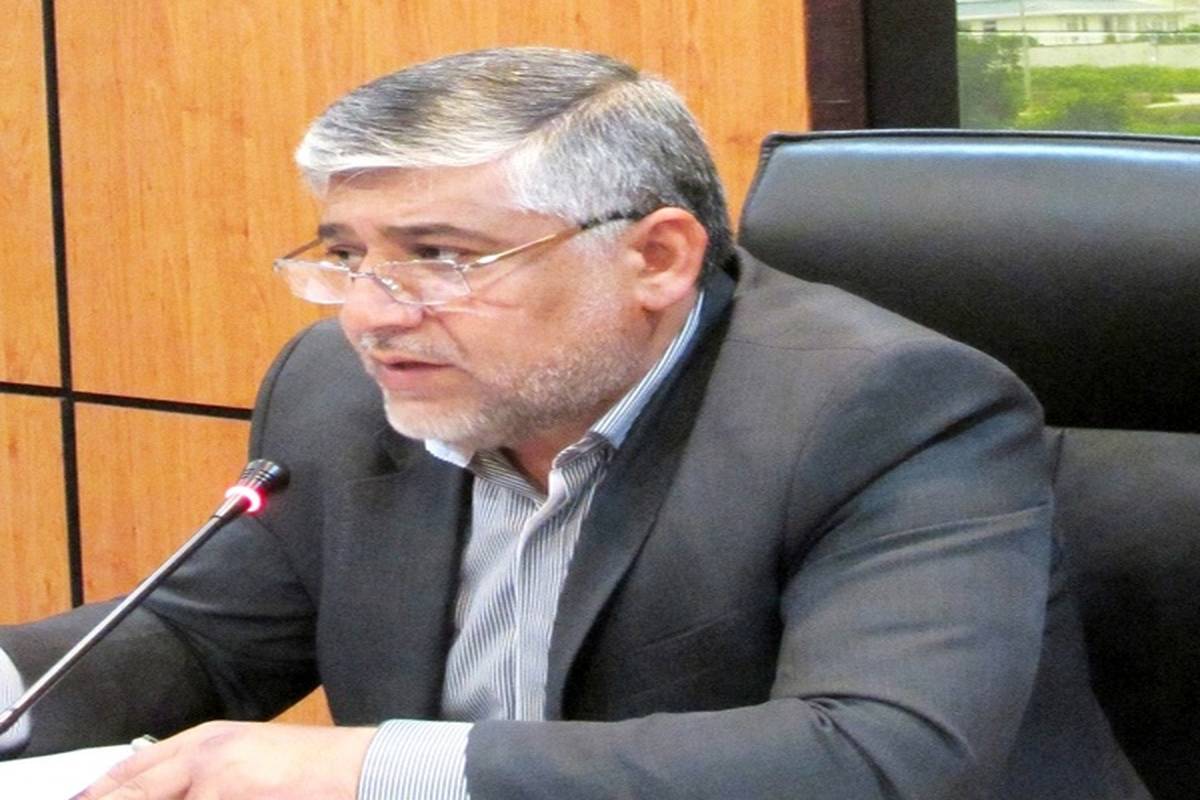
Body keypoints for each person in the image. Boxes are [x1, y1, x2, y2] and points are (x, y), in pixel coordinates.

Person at [0, 47, 1148, 799]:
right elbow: (198, 640)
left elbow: (868, 755)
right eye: (347, 255)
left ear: (656, 257)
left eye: (440, 257)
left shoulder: (888, 412)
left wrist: (367, 768)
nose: (370, 314)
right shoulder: (344, 388)